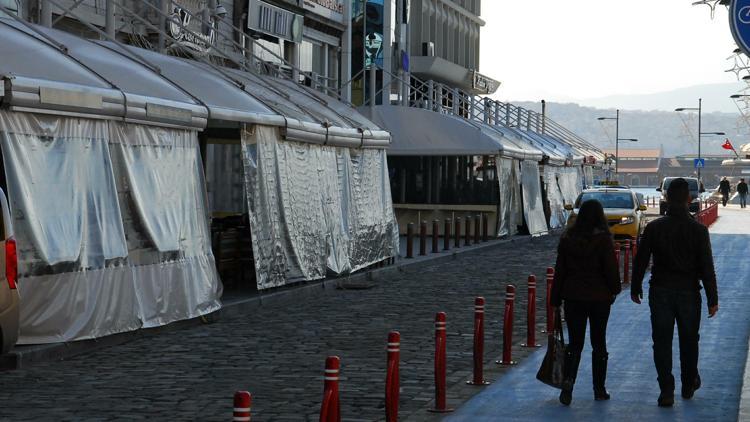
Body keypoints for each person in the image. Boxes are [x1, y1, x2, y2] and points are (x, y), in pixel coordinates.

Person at [631, 178, 719, 407]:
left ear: (667, 198)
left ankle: (666, 390)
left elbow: (641, 260)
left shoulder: (654, 228)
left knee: (661, 341)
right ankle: (689, 382)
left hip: (660, 290)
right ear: (689, 199)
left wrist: (635, 286)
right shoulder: (698, 230)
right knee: (690, 340)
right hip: (689, 291)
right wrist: (712, 298)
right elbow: (706, 267)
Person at [551, 200, 621, 406]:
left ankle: (568, 384)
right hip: (599, 298)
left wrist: (555, 299)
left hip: (573, 297)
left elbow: (560, 271)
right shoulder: (603, 240)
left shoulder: (567, 239)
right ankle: (599, 389)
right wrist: (614, 289)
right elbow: (610, 270)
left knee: (575, 343)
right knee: (599, 342)